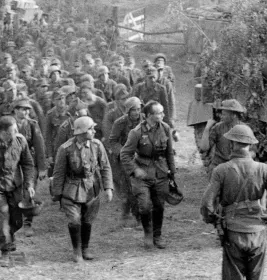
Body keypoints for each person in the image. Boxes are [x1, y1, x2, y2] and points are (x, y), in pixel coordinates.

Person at [200, 124, 267, 280]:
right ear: (250, 145)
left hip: (233, 231)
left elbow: (206, 205)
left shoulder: (221, 170)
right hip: (257, 232)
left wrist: (215, 221)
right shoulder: (263, 169)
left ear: (231, 144)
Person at [51, 116, 114, 263]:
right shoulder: (65, 149)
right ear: (81, 132)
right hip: (71, 189)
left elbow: (105, 167)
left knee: (87, 220)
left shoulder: (97, 145)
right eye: (90, 129)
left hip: (91, 188)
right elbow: (58, 173)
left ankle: (85, 248)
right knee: (74, 220)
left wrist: (108, 187)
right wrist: (57, 195)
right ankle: (76, 250)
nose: (94, 131)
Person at [0, 116, 37, 267]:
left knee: (17, 220)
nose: (17, 132)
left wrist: (29, 184)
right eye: (13, 130)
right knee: (3, 217)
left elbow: (28, 164)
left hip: (15, 185)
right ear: (3, 132)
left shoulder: (20, 141)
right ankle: (5, 251)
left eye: (17, 129)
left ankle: (9, 238)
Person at [120, 101, 175, 249]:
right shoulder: (136, 132)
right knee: (144, 206)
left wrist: (173, 173)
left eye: (162, 112)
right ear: (149, 115)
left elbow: (169, 153)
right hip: (142, 173)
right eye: (159, 113)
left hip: (160, 172)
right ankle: (148, 234)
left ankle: (158, 236)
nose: (162, 115)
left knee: (159, 206)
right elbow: (125, 154)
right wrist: (135, 170)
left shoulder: (165, 128)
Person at [12, 99, 48, 237]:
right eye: (22, 109)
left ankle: (28, 223)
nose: (25, 112)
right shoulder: (8, 123)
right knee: (14, 190)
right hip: (13, 162)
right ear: (15, 110)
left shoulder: (32, 125)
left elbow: (39, 146)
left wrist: (42, 167)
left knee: (29, 190)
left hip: (30, 161)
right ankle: (16, 221)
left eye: (27, 109)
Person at [107, 97, 143, 227]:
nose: (136, 113)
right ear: (128, 111)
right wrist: (124, 152)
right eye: (133, 110)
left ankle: (136, 214)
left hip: (142, 156)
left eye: (138, 109)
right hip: (124, 160)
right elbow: (112, 141)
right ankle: (133, 215)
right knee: (129, 188)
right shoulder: (119, 123)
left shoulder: (145, 121)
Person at [200, 99, 246, 177]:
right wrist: (207, 129)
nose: (221, 116)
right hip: (219, 165)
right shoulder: (218, 128)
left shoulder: (245, 129)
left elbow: (253, 152)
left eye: (224, 114)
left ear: (234, 115)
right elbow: (204, 148)